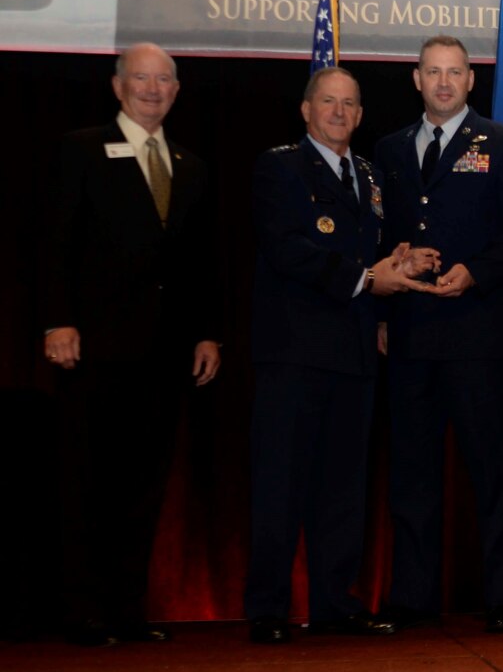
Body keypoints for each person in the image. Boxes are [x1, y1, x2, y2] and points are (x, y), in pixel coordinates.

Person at [245, 66, 439, 644]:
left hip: (354, 352)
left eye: (349, 105)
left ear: (360, 115)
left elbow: (372, 254)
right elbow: (289, 250)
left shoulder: (371, 177)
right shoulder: (278, 166)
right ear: (306, 110)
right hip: (294, 352)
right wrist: (366, 278)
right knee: (280, 484)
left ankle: (334, 602)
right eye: (327, 102)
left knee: (342, 489)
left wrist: (396, 264)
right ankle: (268, 608)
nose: (338, 113)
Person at [40, 42, 222, 646]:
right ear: (117, 87)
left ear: (176, 91)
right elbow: (56, 241)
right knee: (88, 480)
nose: (152, 89)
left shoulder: (189, 164)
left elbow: (197, 265)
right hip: (95, 347)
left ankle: (126, 609)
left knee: (145, 485)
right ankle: (81, 611)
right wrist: (58, 320)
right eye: (140, 79)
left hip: (166, 353)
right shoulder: (81, 148)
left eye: (163, 80)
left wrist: (204, 332)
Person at [373, 35, 503, 633]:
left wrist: (478, 271)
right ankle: (413, 598)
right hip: (412, 337)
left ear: (472, 80)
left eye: (454, 72)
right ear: (416, 79)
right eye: (432, 72)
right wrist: (392, 268)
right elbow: (375, 240)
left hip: (477, 336)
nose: (444, 83)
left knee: (491, 473)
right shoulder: (389, 150)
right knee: (413, 476)